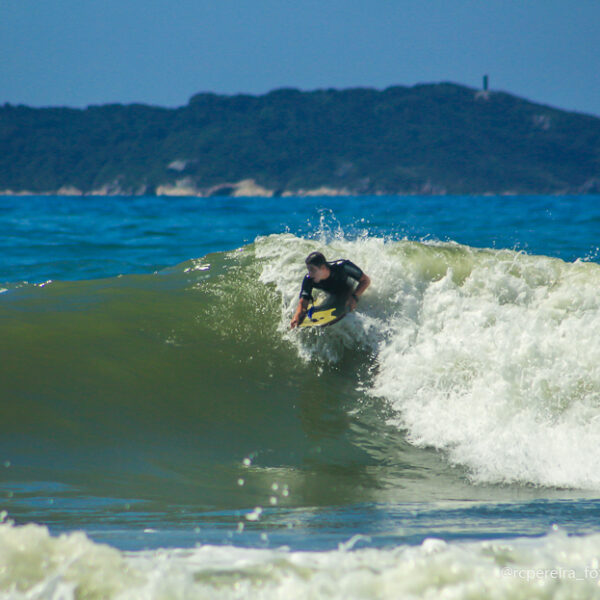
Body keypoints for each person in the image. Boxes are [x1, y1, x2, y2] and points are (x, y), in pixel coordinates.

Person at [290, 251, 371, 328]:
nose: (310, 274)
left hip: (349, 291)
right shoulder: (309, 279)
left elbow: (365, 280)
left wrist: (354, 297)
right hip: (333, 295)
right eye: (308, 270)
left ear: (322, 268)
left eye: (312, 270)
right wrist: (297, 316)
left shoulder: (342, 267)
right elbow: (303, 301)